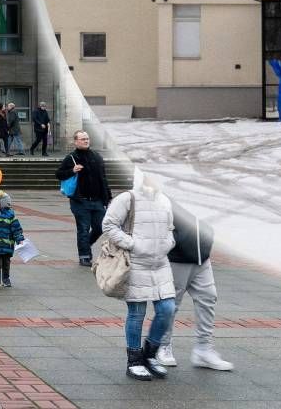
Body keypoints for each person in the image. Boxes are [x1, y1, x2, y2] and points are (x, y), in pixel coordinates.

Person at [102, 173, 179, 380]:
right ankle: (134, 360)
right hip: (136, 263)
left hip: (160, 263)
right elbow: (108, 225)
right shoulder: (127, 198)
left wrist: (167, 244)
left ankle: (150, 354)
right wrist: (133, 244)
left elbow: (170, 228)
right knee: (137, 313)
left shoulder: (164, 200)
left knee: (167, 309)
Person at [150, 201, 236, 372]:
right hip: (177, 257)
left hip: (202, 256)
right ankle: (163, 346)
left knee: (208, 298)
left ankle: (203, 349)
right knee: (171, 304)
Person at [62, 130, 113, 267]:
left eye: (87, 138)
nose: (86, 141)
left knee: (100, 227)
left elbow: (103, 178)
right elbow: (59, 174)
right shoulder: (71, 158)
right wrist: (72, 171)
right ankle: (84, 256)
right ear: (76, 141)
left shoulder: (97, 156)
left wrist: (108, 197)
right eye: (83, 139)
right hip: (80, 200)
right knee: (83, 228)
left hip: (97, 200)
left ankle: (86, 244)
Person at [0, 191, 26, 288]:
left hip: (7, 245)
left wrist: (19, 238)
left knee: (6, 264)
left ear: (2, 203)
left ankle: (6, 278)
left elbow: (16, 229)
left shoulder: (10, 216)